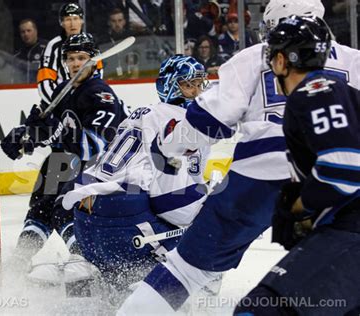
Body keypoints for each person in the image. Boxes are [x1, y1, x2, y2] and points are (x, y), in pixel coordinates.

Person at [118, 0, 360, 313]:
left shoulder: (255, 56)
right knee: (331, 275)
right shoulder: (354, 60)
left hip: (258, 175)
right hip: (340, 183)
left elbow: (212, 119)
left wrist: (171, 146)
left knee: (186, 268)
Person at [235, 15, 360, 316]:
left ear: (280, 60)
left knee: (260, 310)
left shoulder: (315, 91)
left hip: (351, 231)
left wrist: (298, 207)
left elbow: (344, 168)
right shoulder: (346, 93)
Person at [62, 55, 211, 288]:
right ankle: (181, 288)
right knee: (210, 231)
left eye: (200, 84)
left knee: (115, 284)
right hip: (124, 222)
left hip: (85, 220)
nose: (197, 91)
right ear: (170, 85)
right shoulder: (185, 123)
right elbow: (172, 203)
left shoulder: (142, 112)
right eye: (188, 85)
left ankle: (97, 281)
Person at [1, 32, 128, 271]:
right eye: (71, 58)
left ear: (92, 61)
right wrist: (26, 135)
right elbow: (48, 127)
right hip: (62, 161)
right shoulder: (63, 90)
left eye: (81, 58)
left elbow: (95, 144)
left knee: (64, 210)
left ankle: (85, 260)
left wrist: (53, 133)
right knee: (40, 210)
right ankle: (20, 259)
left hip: (94, 166)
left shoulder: (100, 94)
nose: (76, 63)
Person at [37, 2, 84, 107]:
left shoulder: (91, 43)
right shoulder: (53, 46)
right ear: (61, 23)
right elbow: (45, 82)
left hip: (84, 102)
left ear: (82, 21)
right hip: (60, 104)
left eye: (76, 18)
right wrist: (59, 105)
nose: (72, 24)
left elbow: (97, 75)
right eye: (68, 19)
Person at [13, 18, 47, 83]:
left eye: (29, 31)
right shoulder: (18, 55)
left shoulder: (47, 48)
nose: (26, 34)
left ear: (36, 31)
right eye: (23, 32)